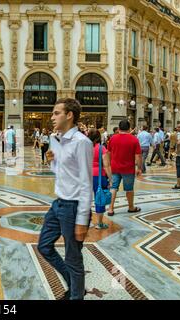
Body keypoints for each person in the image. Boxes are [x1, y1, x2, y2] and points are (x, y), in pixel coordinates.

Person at [38, 98, 93, 300]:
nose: (52, 117)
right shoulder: (56, 139)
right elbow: (62, 172)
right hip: (58, 204)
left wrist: (81, 220)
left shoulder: (82, 142)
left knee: (73, 258)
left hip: (73, 206)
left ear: (69, 115)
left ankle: (76, 295)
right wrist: (52, 162)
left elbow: (86, 183)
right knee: (44, 245)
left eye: (56, 113)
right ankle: (74, 285)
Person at [106, 119, 142, 216]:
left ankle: (110, 208)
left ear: (119, 128)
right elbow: (138, 156)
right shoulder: (134, 139)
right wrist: (139, 168)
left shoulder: (113, 138)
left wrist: (108, 165)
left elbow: (108, 153)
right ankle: (131, 207)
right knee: (129, 189)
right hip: (128, 169)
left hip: (114, 168)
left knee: (113, 187)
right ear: (129, 128)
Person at [88, 128, 112, 230]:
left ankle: (84, 222)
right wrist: (110, 179)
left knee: (85, 199)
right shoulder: (102, 148)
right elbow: (106, 165)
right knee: (99, 198)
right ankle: (99, 223)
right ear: (99, 137)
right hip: (99, 176)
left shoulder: (85, 147)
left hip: (86, 175)